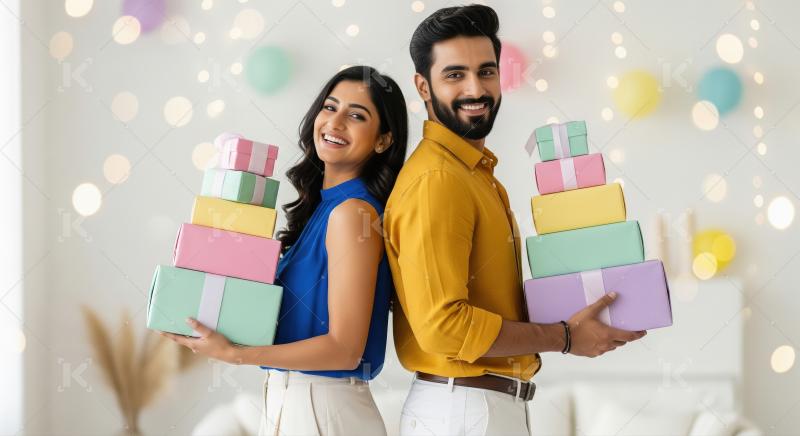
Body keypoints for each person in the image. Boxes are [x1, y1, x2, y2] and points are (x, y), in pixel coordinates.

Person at [384, 5, 647, 435]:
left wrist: (583, 316)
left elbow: (490, 303)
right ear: (423, 87)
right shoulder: (438, 181)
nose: (475, 89)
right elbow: (443, 328)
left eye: (486, 72)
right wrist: (564, 337)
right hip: (463, 412)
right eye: (455, 75)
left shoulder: (474, 175)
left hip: (479, 406)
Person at [163, 65, 408, 436]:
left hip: (323, 409)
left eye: (356, 115)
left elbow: (345, 349)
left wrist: (236, 355)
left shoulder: (352, 214)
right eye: (330, 107)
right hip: (293, 403)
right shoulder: (323, 210)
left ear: (383, 140)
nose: (335, 122)